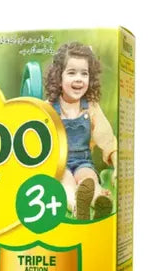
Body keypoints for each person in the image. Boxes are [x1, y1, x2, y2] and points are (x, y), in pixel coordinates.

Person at [45, 42, 117, 220]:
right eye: (72, 73)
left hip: (83, 161)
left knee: (89, 179)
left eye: (84, 73)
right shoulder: (48, 108)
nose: (79, 79)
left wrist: (117, 165)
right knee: (66, 182)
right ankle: (77, 206)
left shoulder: (90, 107)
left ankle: (99, 200)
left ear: (90, 78)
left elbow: (106, 138)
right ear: (58, 77)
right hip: (59, 164)